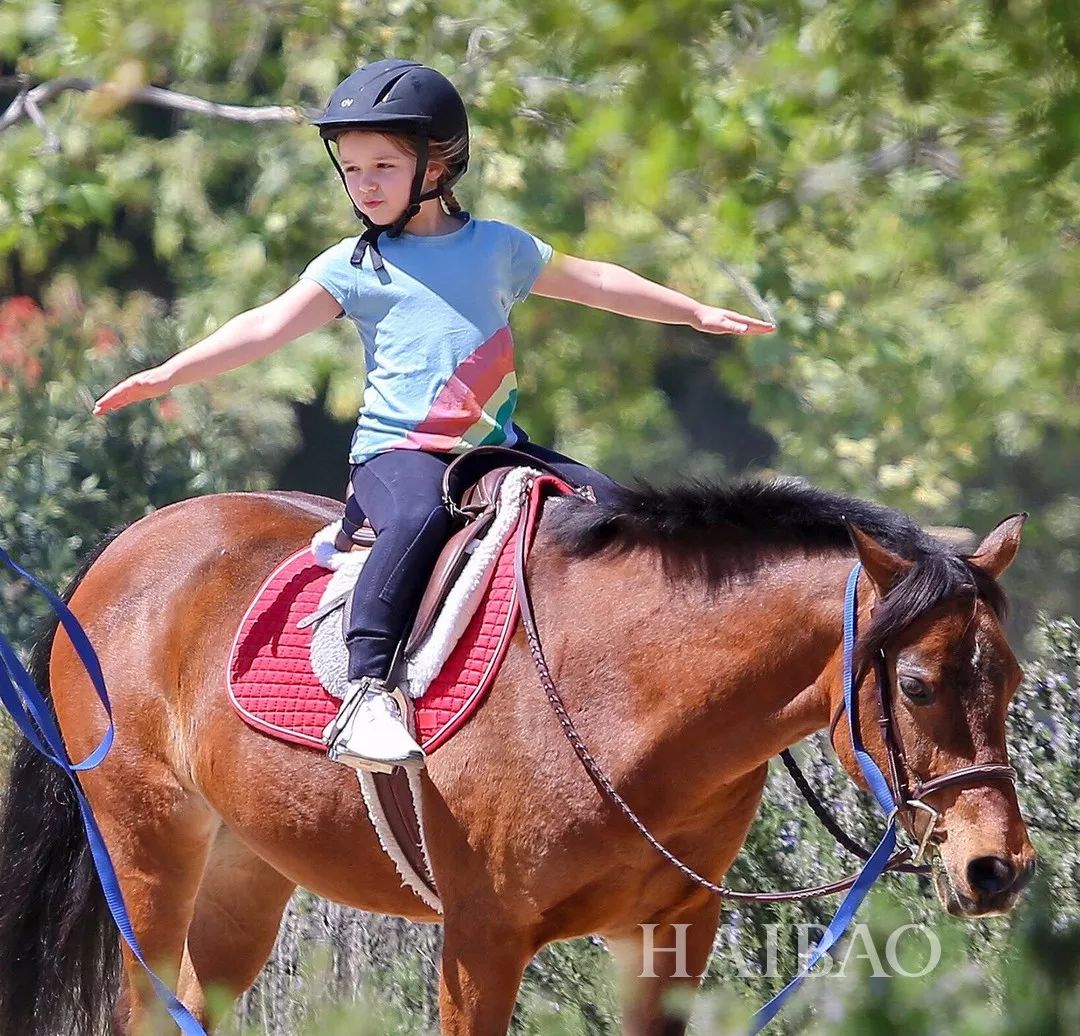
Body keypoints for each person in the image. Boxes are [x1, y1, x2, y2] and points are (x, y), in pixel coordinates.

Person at [93, 58, 775, 774]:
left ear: (440, 163)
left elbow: (595, 280)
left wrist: (692, 310)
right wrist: (172, 371)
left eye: (383, 165)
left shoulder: (501, 248)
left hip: (494, 450)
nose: (365, 183)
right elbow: (265, 326)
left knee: (608, 507)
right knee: (417, 520)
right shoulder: (352, 266)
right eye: (352, 169)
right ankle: (365, 691)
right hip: (398, 457)